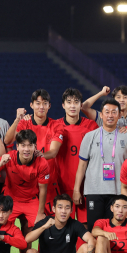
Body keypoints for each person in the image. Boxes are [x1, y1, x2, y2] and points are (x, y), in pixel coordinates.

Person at [0, 129, 49, 253]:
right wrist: (1, 162)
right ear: (17, 146)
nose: (26, 149)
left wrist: (40, 213)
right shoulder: (9, 157)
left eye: (30, 145)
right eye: (23, 145)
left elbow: (43, 190)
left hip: (31, 200)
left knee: (37, 230)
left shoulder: (42, 163)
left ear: (35, 147)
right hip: (10, 200)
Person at [73, 98, 127, 229]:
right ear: (101, 115)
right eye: (107, 112)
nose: (110, 115)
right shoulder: (89, 136)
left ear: (119, 115)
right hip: (94, 190)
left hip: (118, 192)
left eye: (114, 112)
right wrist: (76, 190)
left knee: (115, 230)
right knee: (94, 228)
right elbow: (82, 165)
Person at [5, 89, 64, 217]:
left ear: (49, 106)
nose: (41, 107)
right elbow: (8, 140)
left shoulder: (57, 126)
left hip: (48, 180)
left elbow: (53, 152)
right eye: (37, 103)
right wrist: (17, 119)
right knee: (27, 224)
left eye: (45, 103)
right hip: (27, 184)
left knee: (48, 223)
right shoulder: (24, 122)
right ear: (31, 105)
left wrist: (38, 156)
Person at [25, 194, 97, 253]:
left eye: (67, 208)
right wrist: (44, 227)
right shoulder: (45, 222)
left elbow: (91, 239)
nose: (63, 211)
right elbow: (27, 239)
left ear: (71, 210)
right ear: (54, 209)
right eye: (60, 207)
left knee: (86, 246)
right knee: (30, 252)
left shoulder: (75, 224)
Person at [55, 88, 99, 225]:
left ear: (81, 105)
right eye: (69, 102)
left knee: (85, 226)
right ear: (63, 105)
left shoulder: (91, 126)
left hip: (85, 186)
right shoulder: (55, 126)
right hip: (61, 184)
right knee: (61, 226)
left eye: (76, 102)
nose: (72, 106)